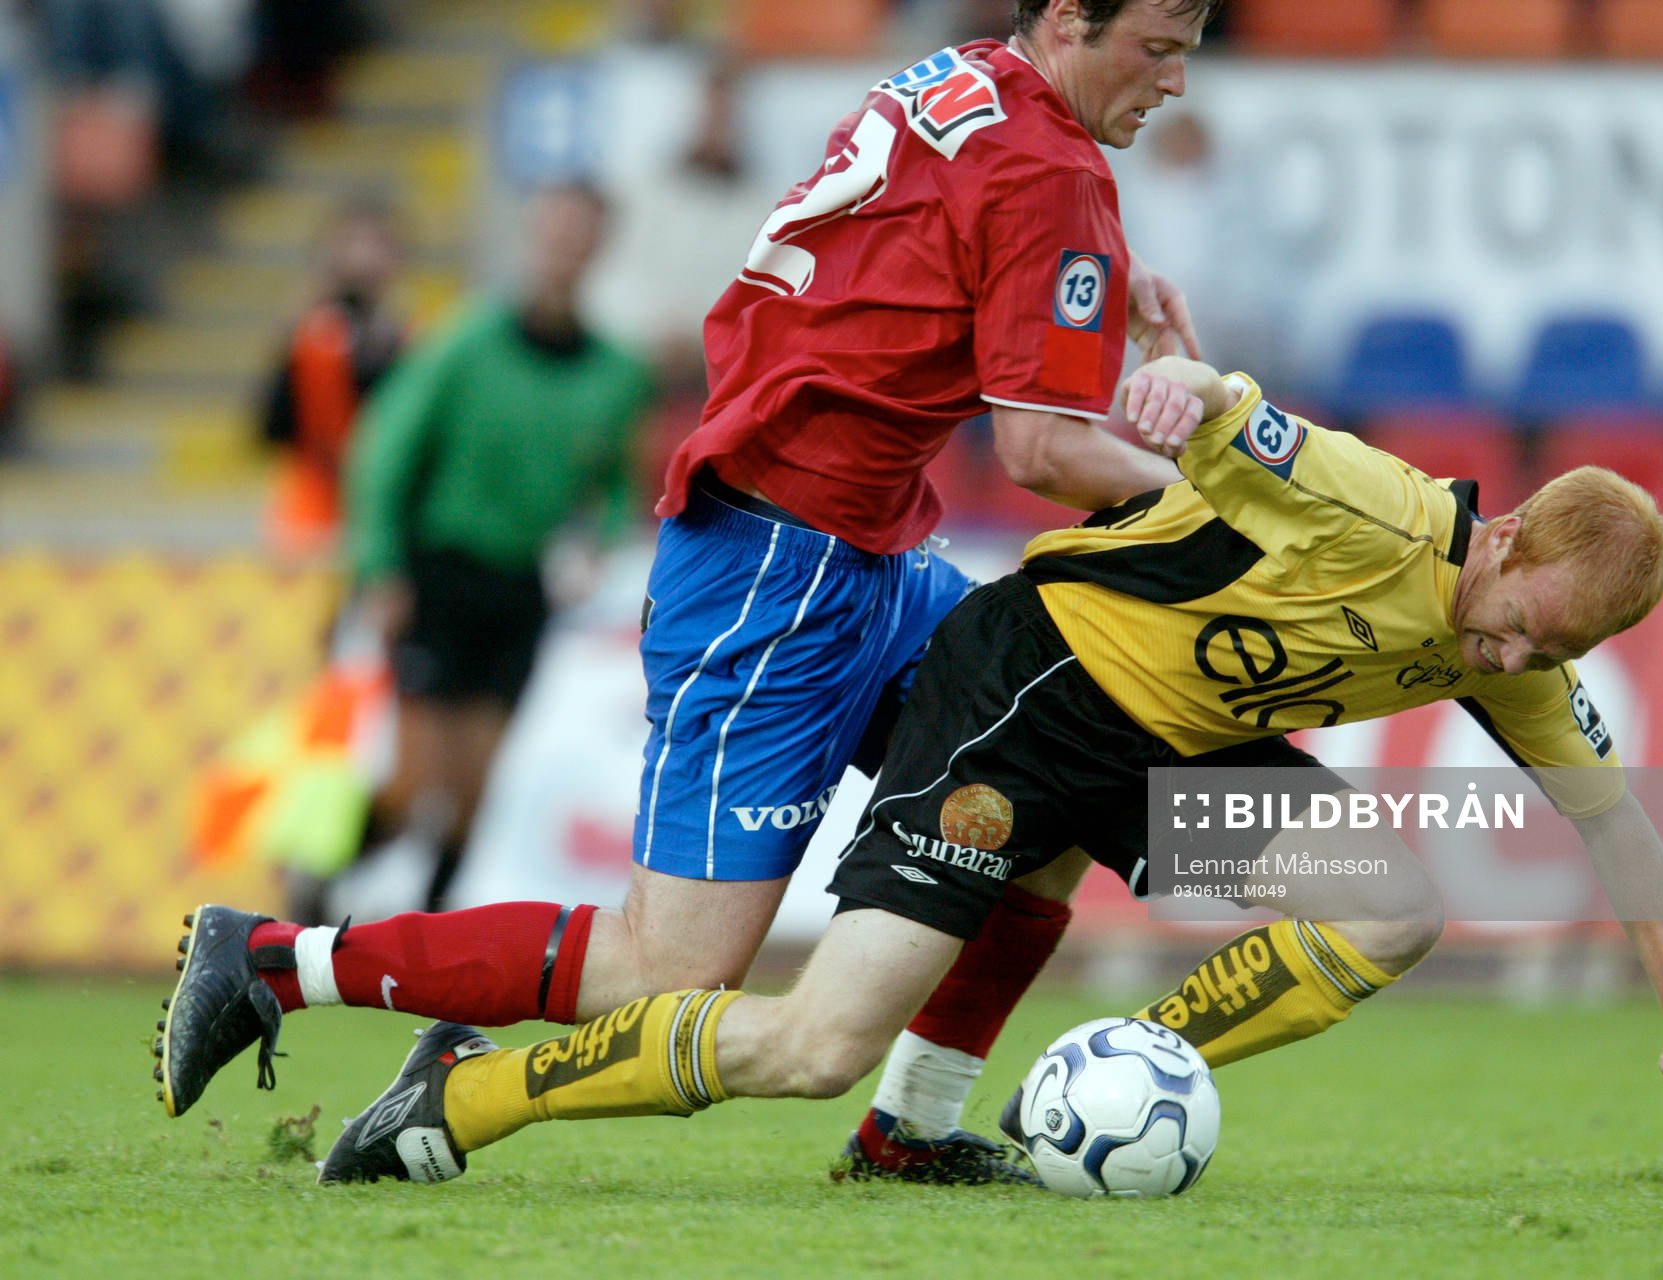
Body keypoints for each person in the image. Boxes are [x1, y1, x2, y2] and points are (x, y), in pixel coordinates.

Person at [157, 0, 1217, 1185]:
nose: (1176, 82)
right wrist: (1218, 501)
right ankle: (276, 959)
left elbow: (927, 255)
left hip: (865, 548)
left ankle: (908, 1126)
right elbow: (1040, 452)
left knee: (1046, 787)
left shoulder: (968, 79)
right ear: (1071, 21)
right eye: (1160, 49)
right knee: (667, 972)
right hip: (775, 577)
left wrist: (1074, 301)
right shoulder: (1053, 169)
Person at [302, 354, 1663, 1185]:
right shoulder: (1371, 511)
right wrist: (1179, 379)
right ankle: (465, 1100)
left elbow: (1620, 833)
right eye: (1516, 631)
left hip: (1162, 748)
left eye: (1538, 658)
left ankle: (1092, 1079)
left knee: (1389, 905)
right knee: (811, 1047)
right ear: (1500, 540)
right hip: (1031, 682)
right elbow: (1234, 415)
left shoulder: (1528, 662)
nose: (1509, 667)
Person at [340, 181, 655, 916]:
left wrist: (598, 543)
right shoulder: (464, 343)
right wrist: (381, 567)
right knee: (418, 781)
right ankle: (320, 881)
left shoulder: (617, 373)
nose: (565, 245)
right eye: (556, 228)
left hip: (520, 586)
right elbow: (384, 452)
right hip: (441, 570)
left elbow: (617, 484)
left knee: (477, 788)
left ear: (599, 246)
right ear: (532, 233)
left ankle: (426, 934)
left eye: (582, 232)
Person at [257, 197, 408, 562]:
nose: (363, 260)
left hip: (382, 520)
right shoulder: (311, 338)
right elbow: (270, 426)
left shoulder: (406, 340)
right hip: (313, 522)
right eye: (351, 245)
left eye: (376, 246)